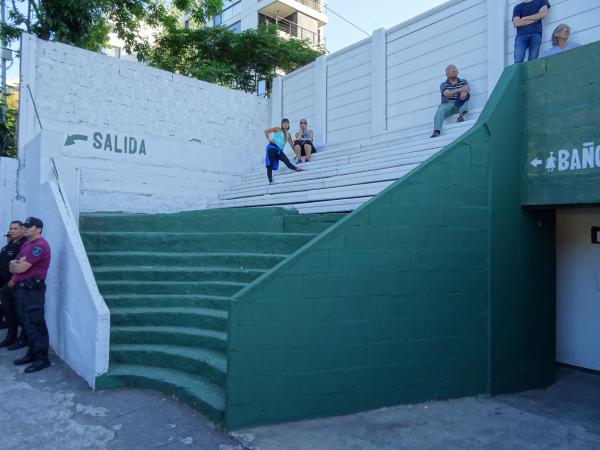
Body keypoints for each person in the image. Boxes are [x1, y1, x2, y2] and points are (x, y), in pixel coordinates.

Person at [9, 217, 52, 373]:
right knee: (26, 323)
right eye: (25, 226)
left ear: (38, 229)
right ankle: (32, 353)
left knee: (35, 323)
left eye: (29, 226)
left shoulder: (39, 246)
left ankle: (42, 358)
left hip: (32, 291)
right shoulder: (27, 244)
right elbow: (14, 264)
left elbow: (20, 268)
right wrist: (15, 265)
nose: (26, 228)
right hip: (22, 290)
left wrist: (16, 266)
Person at [0, 221, 26, 348]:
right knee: (8, 312)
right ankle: (11, 336)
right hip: (5, 285)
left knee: (19, 313)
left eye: (15, 228)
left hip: (15, 284)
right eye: (11, 228)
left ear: (22, 230)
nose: (12, 231)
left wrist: (13, 280)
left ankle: (22, 339)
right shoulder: (9, 245)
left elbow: (22, 266)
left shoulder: (24, 245)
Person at [431, 65, 470, 138]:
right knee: (440, 110)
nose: (453, 70)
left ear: (457, 72)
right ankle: (436, 131)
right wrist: (460, 90)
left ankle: (461, 116)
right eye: (450, 69)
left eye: (455, 69)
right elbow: (447, 94)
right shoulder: (443, 84)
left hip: (459, 103)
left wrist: (464, 91)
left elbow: (467, 88)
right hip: (447, 105)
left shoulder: (463, 81)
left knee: (466, 94)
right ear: (446, 74)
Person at [264, 118, 304, 184]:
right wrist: (269, 139)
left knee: (287, 161)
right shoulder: (277, 129)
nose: (285, 124)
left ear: (288, 125)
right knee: (270, 164)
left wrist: (297, 154)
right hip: (272, 147)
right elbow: (266, 131)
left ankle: (297, 169)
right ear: (282, 124)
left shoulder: (288, 135)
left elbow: (292, 145)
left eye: (287, 123)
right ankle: (270, 181)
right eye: (284, 123)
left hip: (279, 151)